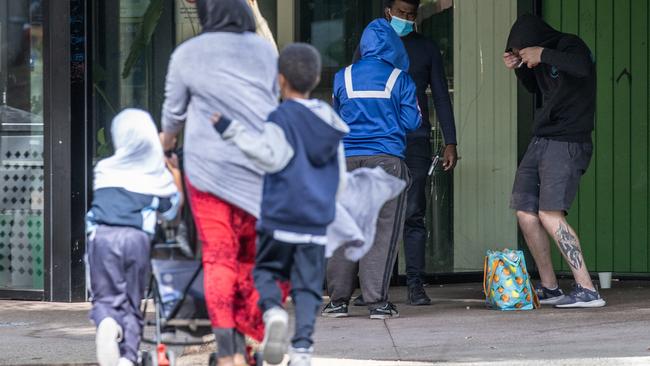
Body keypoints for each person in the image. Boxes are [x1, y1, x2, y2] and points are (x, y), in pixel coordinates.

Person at [212, 43, 348, 366]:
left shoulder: (281, 118)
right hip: (315, 224)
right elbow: (340, 177)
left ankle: (273, 311)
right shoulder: (329, 120)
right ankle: (302, 350)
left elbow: (266, 155)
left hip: (281, 218)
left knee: (266, 272)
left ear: (281, 79)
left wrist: (230, 130)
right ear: (315, 79)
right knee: (308, 289)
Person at [159, 0, 279, 364]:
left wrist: (164, 149)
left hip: (208, 174)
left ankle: (228, 353)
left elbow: (173, 115)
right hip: (257, 170)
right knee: (248, 257)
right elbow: (272, 102)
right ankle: (252, 340)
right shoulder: (263, 52)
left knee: (218, 257)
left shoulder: (188, 53)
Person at [504, 14, 605, 308]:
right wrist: (520, 68)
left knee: (550, 214)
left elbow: (582, 68)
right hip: (541, 139)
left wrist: (543, 55)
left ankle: (587, 289)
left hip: (567, 140)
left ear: (537, 41)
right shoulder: (537, 59)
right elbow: (535, 89)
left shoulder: (570, 45)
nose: (525, 56)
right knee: (525, 212)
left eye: (523, 50)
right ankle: (550, 288)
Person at [323, 18, 421, 320]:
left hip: (347, 163)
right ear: (393, 45)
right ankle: (377, 302)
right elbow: (412, 123)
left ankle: (337, 301)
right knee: (382, 232)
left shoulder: (343, 77)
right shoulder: (399, 79)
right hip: (386, 163)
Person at [86, 109, 182, 366]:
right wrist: (174, 173)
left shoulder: (104, 169)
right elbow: (172, 209)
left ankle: (106, 321)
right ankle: (128, 358)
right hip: (135, 239)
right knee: (131, 301)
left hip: (101, 236)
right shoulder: (155, 175)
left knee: (106, 299)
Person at [383, 0, 458, 305]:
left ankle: (415, 284)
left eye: (411, 14)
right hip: (379, 140)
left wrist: (450, 141)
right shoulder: (372, 47)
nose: (406, 18)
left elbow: (441, 95)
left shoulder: (426, 48)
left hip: (416, 139)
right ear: (387, 11)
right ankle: (379, 286)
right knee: (379, 213)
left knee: (414, 212)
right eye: (401, 13)